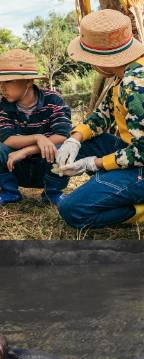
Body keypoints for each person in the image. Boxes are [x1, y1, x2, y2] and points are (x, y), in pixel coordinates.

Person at [56, 9, 144, 227]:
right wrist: (75, 138)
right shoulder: (124, 74)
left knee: (73, 210)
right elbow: (104, 114)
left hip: (139, 161)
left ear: (103, 59)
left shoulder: (134, 85)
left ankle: (138, 210)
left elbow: (142, 151)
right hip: (131, 151)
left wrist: (95, 163)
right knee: (86, 143)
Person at [0, 49, 72, 206]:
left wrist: (27, 150)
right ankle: (9, 192)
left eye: (8, 81)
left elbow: (63, 135)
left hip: (48, 164)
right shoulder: (4, 104)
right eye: (0, 82)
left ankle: (53, 193)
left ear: (29, 81)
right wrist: (38, 137)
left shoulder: (53, 99)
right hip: (15, 165)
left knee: (66, 148)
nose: (2, 87)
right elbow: (7, 139)